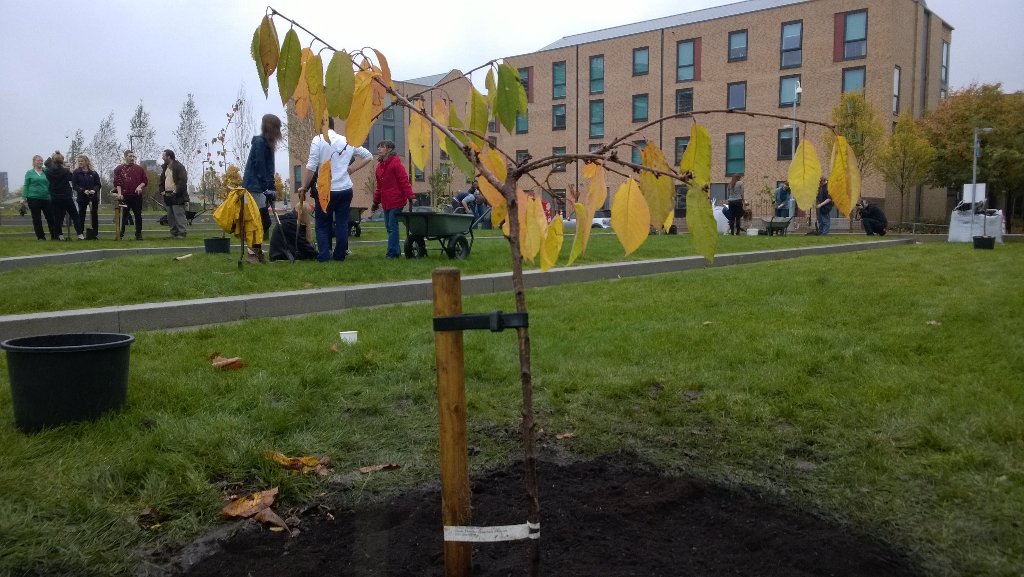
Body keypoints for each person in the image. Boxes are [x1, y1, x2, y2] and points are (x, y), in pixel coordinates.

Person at [297, 117, 373, 263]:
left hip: (325, 190)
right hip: (344, 189)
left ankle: (324, 256)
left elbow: (311, 166)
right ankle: (339, 255)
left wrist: (304, 186)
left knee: (322, 224)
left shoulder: (318, 140)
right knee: (342, 223)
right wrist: (351, 169)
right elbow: (368, 156)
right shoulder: (346, 141)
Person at [241, 114, 283, 264]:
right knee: (260, 221)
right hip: (253, 188)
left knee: (262, 222)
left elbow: (269, 170)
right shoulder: (259, 143)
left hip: (261, 188)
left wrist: (272, 188)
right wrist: (267, 187)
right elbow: (260, 167)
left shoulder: (268, 144)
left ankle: (256, 252)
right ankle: (253, 253)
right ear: (271, 127)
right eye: (277, 127)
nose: (279, 131)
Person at [371, 140, 414, 259]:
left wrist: (411, 196)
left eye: (382, 147)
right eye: (378, 147)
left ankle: (392, 253)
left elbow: (404, 180)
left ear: (389, 149)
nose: (379, 149)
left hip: (396, 200)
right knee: (388, 227)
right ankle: (396, 251)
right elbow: (379, 188)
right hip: (386, 202)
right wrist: (375, 202)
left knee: (392, 226)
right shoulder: (379, 167)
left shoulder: (396, 164)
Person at [45, 151, 81, 241]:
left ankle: (60, 235)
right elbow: (71, 178)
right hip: (66, 196)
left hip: (55, 196)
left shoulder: (48, 172)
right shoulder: (66, 171)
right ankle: (80, 234)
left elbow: (47, 163)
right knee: (75, 215)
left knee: (58, 218)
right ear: (62, 161)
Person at [114, 150, 148, 240]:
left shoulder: (139, 169)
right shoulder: (119, 169)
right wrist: (120, 193)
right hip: (125, 196)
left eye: (133, 156)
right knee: (123, 216)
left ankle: (138, 234)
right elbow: (117, 183)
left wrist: (140, 187)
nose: (132, 158)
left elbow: (144, 181)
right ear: (125, 157)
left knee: (138, 215)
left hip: (136, 196)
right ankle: (120, 233)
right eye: (130, 156)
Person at [23, 154, 56, 240]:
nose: (40, 162)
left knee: (51, 217)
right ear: (34, 162)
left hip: (46, 198)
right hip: (33, 198)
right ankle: (41, 237)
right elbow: (26, 185)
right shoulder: (29, 173)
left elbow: (51, 182)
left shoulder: (46, 171)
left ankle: (54, 236)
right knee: (37, 218)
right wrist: (23, 197)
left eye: (41, 160)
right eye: (38, 160)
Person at [159, 149, 190, 240]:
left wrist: (176, 191)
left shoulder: (179, 167)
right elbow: (161, 181)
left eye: (164, 156)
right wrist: (162, 191)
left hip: (177, 195)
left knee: (178, 214)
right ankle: (174, 233)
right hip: (167, 195)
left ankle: (182, 233)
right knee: (170, 216)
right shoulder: (165, 167)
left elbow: (182, 180)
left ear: (169, 156)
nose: (162, 157)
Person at [72, 154, 102, 239]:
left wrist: (94, 190)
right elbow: (75, 185)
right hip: (82, 197)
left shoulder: (93, 172)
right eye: (79, 161)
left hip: (93, 197)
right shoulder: (76, 172)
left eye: (82, 161)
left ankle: (95, 234)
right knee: (81, 215)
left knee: (94, 216)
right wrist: (83, 190)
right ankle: (80, 234)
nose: (80, 163)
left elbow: (98, 184)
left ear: (86, 161)